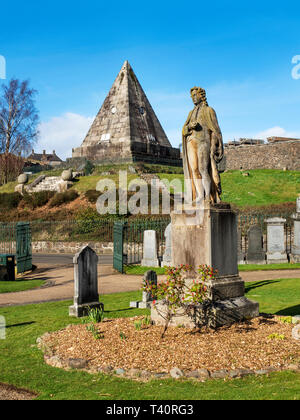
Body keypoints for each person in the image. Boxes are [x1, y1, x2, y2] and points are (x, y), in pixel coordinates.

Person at [182, 87, 223, 205]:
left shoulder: (209, 110)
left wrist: (215, 145)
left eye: (196, 95)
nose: (194, 98)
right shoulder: (191, 113)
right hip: (191, 141)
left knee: (203, 169)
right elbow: (184, 130)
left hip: (203, 141)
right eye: (192, 96)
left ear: (202, 96)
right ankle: (200, 195)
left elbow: (215, 130)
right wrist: (189, 127)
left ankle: (208, 196)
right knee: (194, 169)